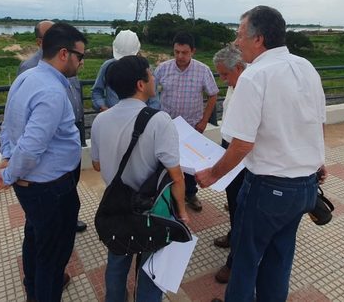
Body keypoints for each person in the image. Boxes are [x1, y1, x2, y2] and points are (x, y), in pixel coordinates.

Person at [196, 6, 327, 302]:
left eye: (240, 34)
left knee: (245, 263)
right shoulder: (306, 67)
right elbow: (317, 123)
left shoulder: (255, 76)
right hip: (304, 187)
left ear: (259, 39)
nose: (236, 42)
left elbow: (241, 144)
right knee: (279, 261)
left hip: (268, 189)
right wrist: (318, 162)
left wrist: (212, 174)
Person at [0, 22, 87, 302]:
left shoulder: (26, 78)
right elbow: (31, 147)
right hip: (50, 189)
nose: (81, 63)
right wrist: (7, 174)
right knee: (52, 256)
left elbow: (8, 125)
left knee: (36, 239)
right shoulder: (53, 92)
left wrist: (7, 161)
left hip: (34, 187)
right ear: (64, 54)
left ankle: (33, 289)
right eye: (81, 56)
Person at [90, 55, 189, 302]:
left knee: (116, 262)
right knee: (152, 269)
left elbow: (96, 163)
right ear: (141, 84)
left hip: (116, 207)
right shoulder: (159, 120)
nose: (154, 77)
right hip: (152, 211)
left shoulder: (100, 120)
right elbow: (176, 175)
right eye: (150, 74)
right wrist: (182, 212)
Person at [17, 20, 88, 234]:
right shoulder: (31, 71)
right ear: (41, 42)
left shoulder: (62, 68)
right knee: (48, 235)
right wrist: (11, 173)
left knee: (69, 190)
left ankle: (66, 220)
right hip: (46, 167)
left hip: (71, 126)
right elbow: (30, 139)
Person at [154, 31, 219, 211]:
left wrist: (204, 120)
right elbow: (151, 92)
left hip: (192, 126)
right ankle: (167, 195)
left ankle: (190, 193)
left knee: (191, 164)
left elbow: (213, 95)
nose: (180, 56)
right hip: (167, 126)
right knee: (167, 161)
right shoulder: (162, 69)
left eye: (184, 52)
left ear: (193, 51)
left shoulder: (202, 70)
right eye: (176, 52)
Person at [211, 45, 247, 284]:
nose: (223, 80)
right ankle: (234, 235)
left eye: (225, 74)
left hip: (242, 156)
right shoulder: (236, 85)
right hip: (228, 147)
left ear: (240, 67)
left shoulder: (250, 89)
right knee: (232, 200)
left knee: (241, 206)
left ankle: (235, 260)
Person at [91, 29, 141, 111]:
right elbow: (97, 91)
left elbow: (153, 99)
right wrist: (102, 106)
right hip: (112, 116)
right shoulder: (107, 66)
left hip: (139, 118)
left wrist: (146, 117)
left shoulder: (145, 69)